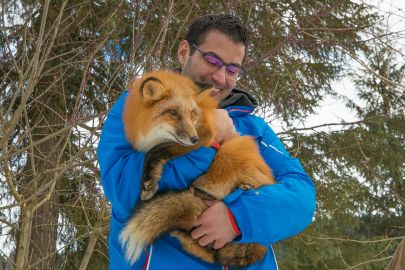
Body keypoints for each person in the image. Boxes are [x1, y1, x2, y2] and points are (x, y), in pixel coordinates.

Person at [98, 13, 316, 270]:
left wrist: (238, 218)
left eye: (232, 69)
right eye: (212, 60)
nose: (221, 78)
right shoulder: (138, 106)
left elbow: (302, 198)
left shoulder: (252, 128)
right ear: (184, 52)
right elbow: (124, 189)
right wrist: (208, 139)